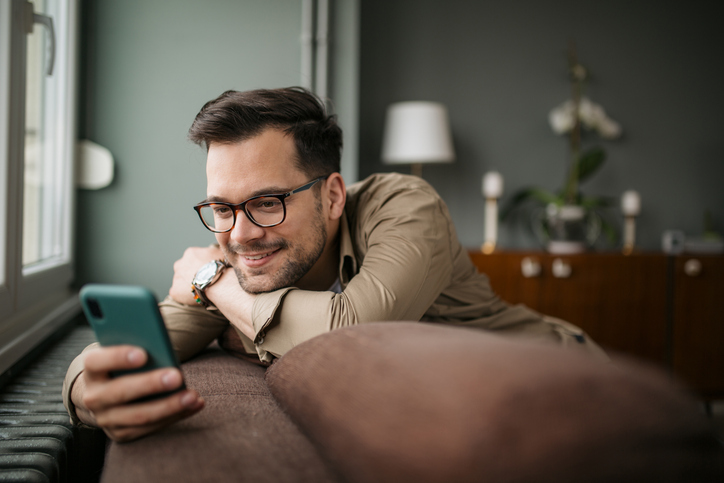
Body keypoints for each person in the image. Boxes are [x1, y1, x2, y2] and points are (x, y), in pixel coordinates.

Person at [63, 87, 605, 442]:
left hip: (564, 384)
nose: (241, 233)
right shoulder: (239, 250)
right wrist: (87, 393)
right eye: (222, 208)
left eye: (268, 202)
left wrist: (216, 287)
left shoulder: (404, 205)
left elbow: (355, 330)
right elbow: (120, 351)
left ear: (332, 196)